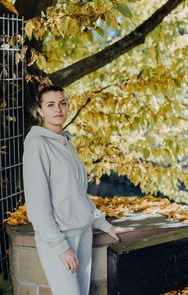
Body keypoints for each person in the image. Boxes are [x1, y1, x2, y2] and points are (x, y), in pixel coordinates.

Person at [23, 84, 133, 295]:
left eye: (62, 103)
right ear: (40, 110)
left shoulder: (66, 142)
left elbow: (77, 194)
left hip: (83, 233)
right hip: (59, 237)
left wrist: (104, 225)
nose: (58, 109)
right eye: (51, 105)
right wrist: (61, 247)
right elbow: (38, 204)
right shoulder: (37, 145)